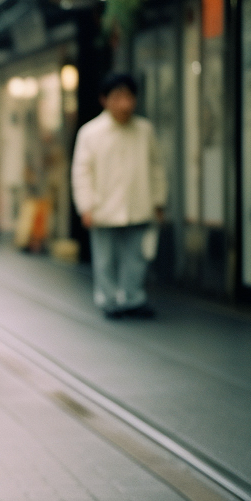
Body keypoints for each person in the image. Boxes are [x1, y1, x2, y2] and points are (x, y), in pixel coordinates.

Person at [71, 71, 167, 319]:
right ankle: (109, 300)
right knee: (105, 259)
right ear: (105, 100)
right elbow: (81, 172)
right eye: (118, 97)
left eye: (129, 97)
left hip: (138, 202)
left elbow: (156, 166)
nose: (124, 104)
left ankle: (133, 298)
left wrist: (159, 199)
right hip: (103, 206)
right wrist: (86, 206)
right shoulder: (90, 132)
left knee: (136, 257)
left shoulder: (145, 130)